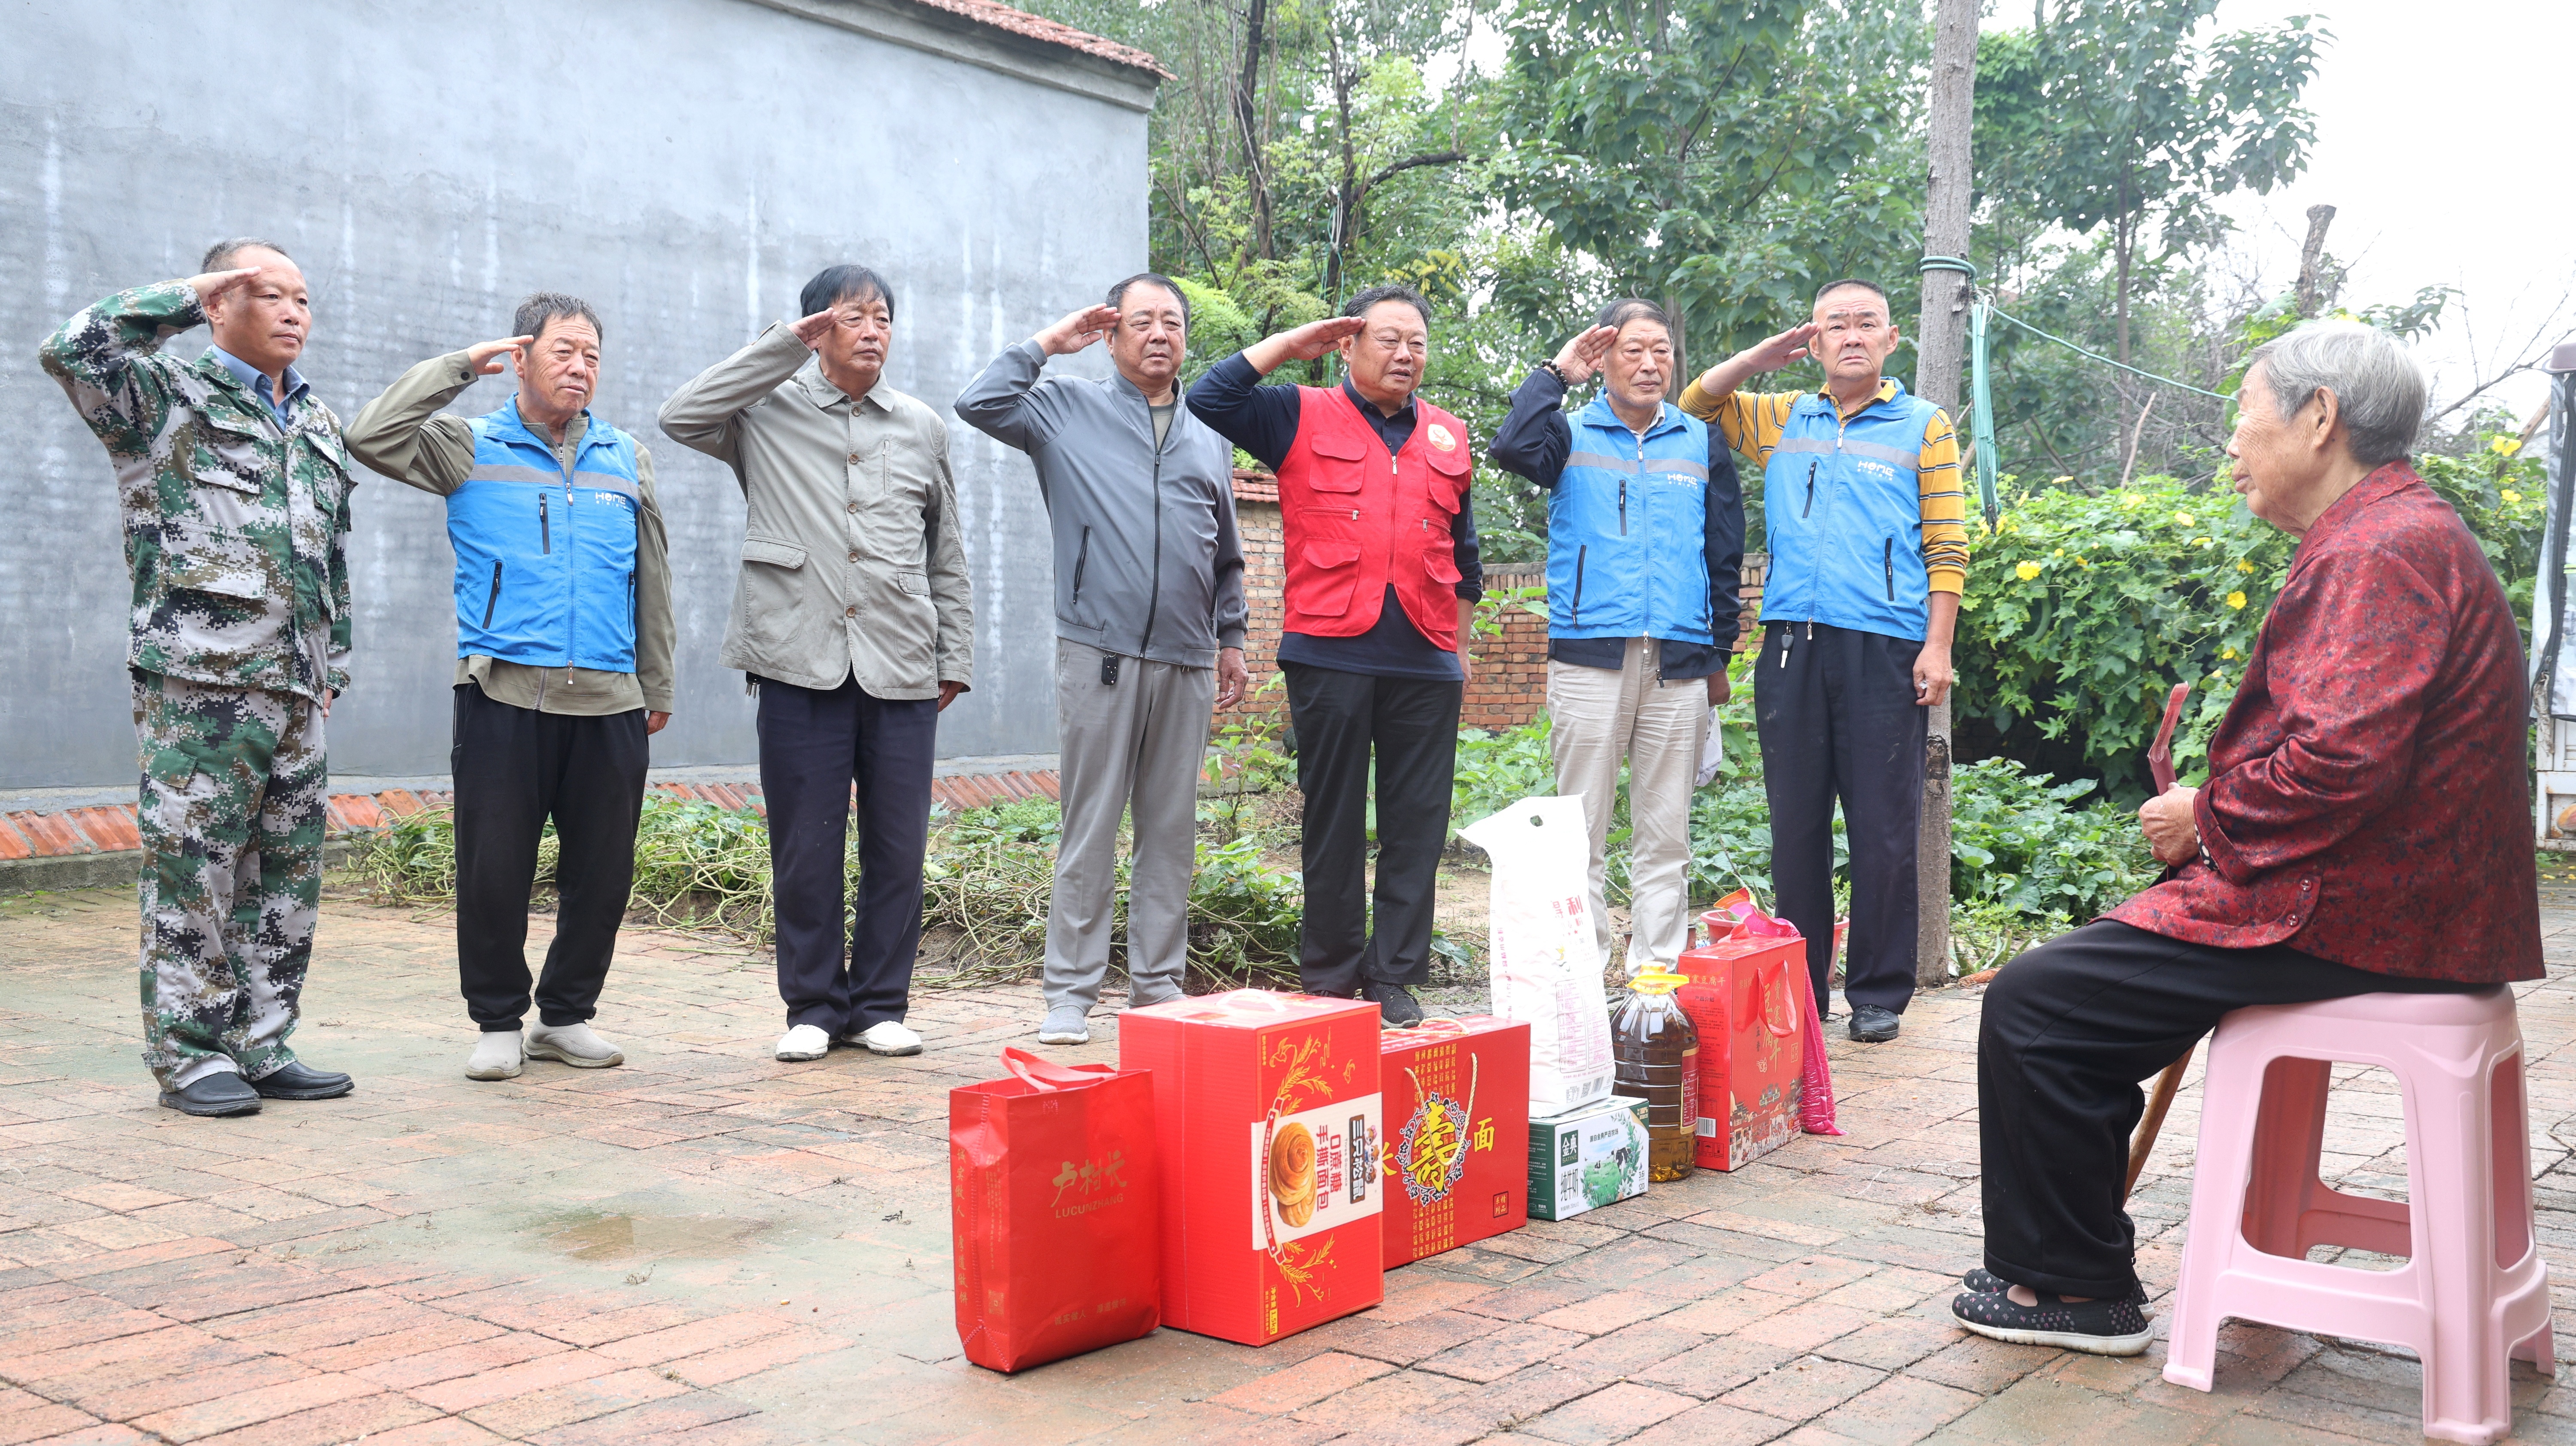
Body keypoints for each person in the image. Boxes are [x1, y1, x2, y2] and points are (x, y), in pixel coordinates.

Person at [1953, 320, 2540, 1355]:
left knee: (2041, 1006)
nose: (2232, 441)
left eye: (2245, 412)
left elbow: (2342, 761)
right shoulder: (2395, 529)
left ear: (2320, 418)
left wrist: (2206, 816)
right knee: (2076, 985)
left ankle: (2073, 1290)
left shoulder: (2382, 548)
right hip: (2408, 899)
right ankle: (2061, 1260)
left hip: (2361, 910)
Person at [37, 240, 358, 1117]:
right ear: (218, 304)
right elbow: (70, 349)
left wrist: (334, 661)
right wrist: (184, 294)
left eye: (303, 298)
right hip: (199, 683)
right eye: (268, 294)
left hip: (297, 685)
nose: (293, 311)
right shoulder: (161, 396)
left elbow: (329, 555)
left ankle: (262, 1043)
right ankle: (189, 1054)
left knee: (285, 875)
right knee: (195, 868)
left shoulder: (317, 422)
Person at [345, 294, 674, 1082]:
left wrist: (656, 680)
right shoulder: (468, 445)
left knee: (603, 873)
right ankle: (497, 1020)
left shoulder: (625, 455)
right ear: (521, 358)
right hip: (503, 693)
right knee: (494, 869)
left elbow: (653, 574)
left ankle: (565, 1017)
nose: (581, 367)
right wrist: (460, 367)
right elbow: (370, 436)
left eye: (592, 355)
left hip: (610, 697)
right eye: (564, 351)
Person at [659, 265, 973, 1063]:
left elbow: (947, 549)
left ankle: (879, 1006)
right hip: (796, 654)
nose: (873, 330)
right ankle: (813, 1006)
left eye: (883, 317)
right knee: (805, 843)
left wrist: (956, 654)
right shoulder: (764, 410)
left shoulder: (920, 425)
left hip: (902, 655)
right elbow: (680, 415)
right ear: (817, 328)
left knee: (898, 845)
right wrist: (783, 346)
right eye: (853, 316)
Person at [954, 274, 1250, 1045]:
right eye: (1142, 321)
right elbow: (978, 402)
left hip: (1187, 659)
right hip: (1099, 652)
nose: (1160, 334)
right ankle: (1070, 993)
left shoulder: (1208, 432)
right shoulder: (1065, 409)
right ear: (1112, 335)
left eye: (1173, 322)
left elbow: (1225, 551)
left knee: (1170, 831)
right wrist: (1049, 344)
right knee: (1090, 827)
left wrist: (1232, 639)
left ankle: (1158, 989)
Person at [1678, 279, 1970, 1042]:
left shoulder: (1924, 425)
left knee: (1883, 829)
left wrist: (1938, 645)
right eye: (1835, 325)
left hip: (1886, 647)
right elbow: (1696, 405)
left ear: (1891, 339)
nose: (1852, 336)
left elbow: (1947, 541)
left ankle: (1877, 994)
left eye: (1866, 324)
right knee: (1797, 827)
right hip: (1790, 645)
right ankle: (1801, 987)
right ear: (1814, 342)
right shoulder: (1783, 418)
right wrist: (1757, 358)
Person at [1187, 284, 1481, 1027]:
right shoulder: (1298, 412)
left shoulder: (1449, 436)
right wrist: (1291, 345)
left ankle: (1394, 976)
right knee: (1334, 820)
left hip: (1426, 657)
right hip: (1330, 652)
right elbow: (1210, 397)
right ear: (1348, 345)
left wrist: (1460, 649)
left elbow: (1467, 556)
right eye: (1388, 339)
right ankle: (1329, 976)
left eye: (1417, 342)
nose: (1405, 354)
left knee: (1418, 826)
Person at [1489, 299, 1745, 974]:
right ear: (1604, 359)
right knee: (1579, 833)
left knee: (1666, 835)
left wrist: (1718, 655)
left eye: (1661, 350)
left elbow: (1724, 553)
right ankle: (1583, 979)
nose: (1651, 363)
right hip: (1590, 657)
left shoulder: (1700, 441)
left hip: (1680, 662)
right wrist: (1555, 374)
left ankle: (1655, 980)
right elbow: (1510, 447)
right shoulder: (1567, 433)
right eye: (1633, 350)